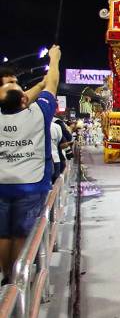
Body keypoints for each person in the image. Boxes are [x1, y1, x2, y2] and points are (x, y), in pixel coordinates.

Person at [0, 45, 61, 282]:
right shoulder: (39, 114)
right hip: (31, 186)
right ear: (25, 100)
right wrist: (54, 59)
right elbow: (52, 85)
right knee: (22, 234)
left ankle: (7, 277)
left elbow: (39, 89)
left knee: (3, 235)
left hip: (2, 185)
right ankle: (19, 280)